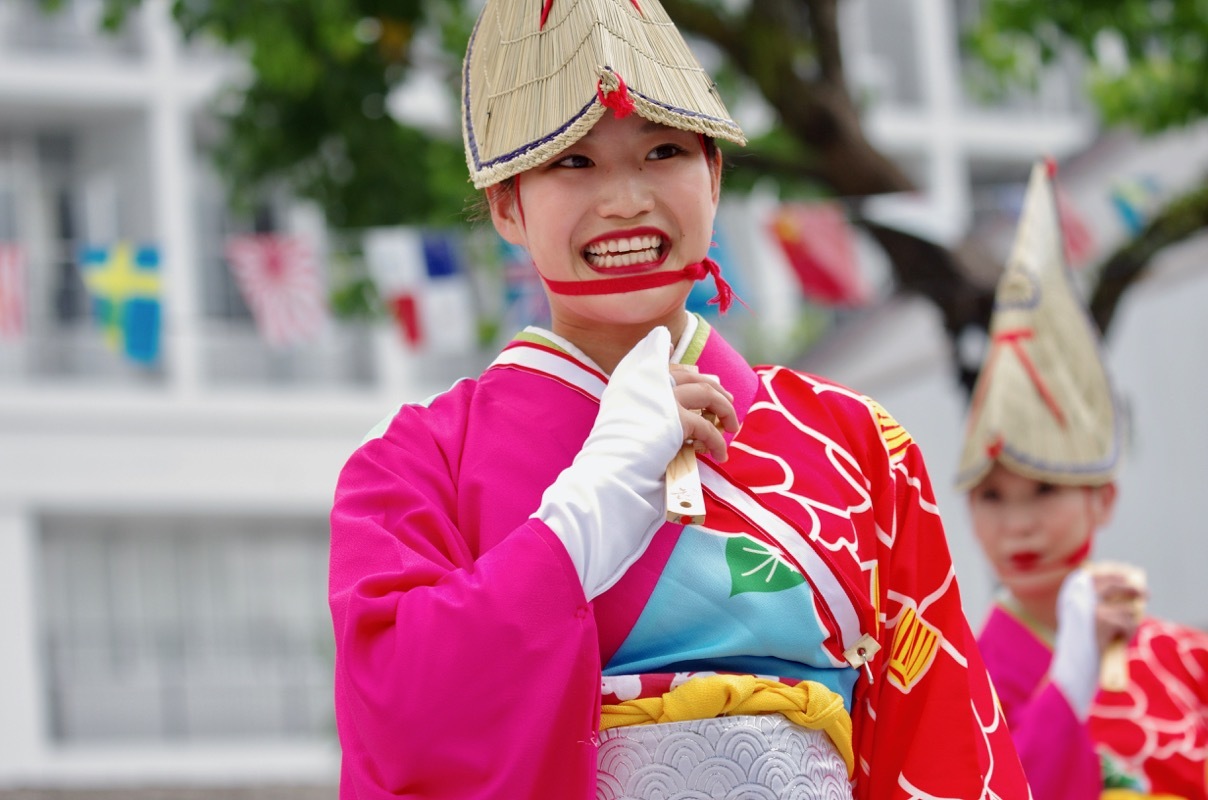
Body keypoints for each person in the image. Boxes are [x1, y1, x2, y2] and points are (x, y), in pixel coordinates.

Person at [327, 0, 1031, 796]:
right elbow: (403, 721)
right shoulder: (414, 467)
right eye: (572, 162)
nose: (626, 200)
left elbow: (936, 737)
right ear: (506, 205)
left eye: (663, 150)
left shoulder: (858, 442)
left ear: (715, 174)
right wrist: (582, 522)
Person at [956, 160, 1208, 800]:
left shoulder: (1185, 658)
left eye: (1044, 489)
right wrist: (1071, 671)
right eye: (992, 497)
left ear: (1104, 498)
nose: (1017, 524)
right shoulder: (963, 683)